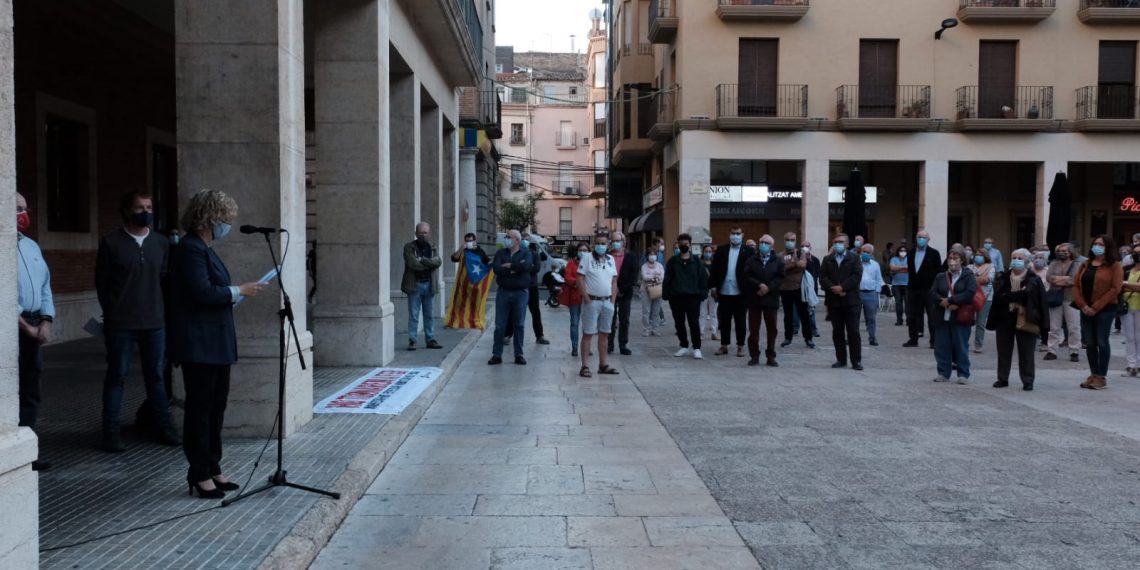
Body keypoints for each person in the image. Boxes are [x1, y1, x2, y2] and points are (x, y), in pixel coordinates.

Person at [168, 189, 264, 498]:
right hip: (200, 344)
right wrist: (238, 291)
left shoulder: (206, 249)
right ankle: (198, 473)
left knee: (217, 407)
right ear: (211, 217)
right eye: (226, 218)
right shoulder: (190, 249)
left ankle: (213, 466)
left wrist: (233, 295)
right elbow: (202, 292)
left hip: (217, 341)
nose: (229, 224)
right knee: (200, 409)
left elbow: (213, 293)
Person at [95, 190, 179, 453]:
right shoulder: (111, 243)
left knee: (155, 377)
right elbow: (102, 284)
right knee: (116, 376)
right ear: (127, 210)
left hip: (155, 322)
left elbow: (165, 281)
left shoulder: (161, 244)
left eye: (149, 207)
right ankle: (110, 431)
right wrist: (113, 312)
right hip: (121, 324)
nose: (146, 212)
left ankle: (163, 426)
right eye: (140, 207)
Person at [16, 193, 55, 472]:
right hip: (14, 327)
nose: (23, 213)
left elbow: (45, 286)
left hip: (34, 324)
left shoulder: (31, 246)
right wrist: (25, 327)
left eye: (25, 208)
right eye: (17, 209)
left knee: (31, 389)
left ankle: (28, 450)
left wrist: (45, 320)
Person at [987, 249, 1048, 391]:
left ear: (1026, 261)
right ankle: (1002, 378)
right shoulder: (1003, 277)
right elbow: (999, 297)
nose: (1015, 260)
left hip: (1027, 318)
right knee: (1003, 350)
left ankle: (1028, 380)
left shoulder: (1033, 279)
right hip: (1004, 318)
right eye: (1013, 257)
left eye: (1019, 258)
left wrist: (1011, 295)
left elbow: (1035, 298)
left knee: (1026, 351)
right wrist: (1019, 294)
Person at [1073, 235, 1123, 390]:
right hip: (1085, 309)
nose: (1097, 246)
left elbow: (1115, 289)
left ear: (1108, 247)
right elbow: (1075, 285)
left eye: (1100, 244)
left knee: (1102, 341)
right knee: (1090, 342)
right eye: (1095, 244)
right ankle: (1093, 374)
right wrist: (1083, 306)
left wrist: (1096, 307)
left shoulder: (1115, 266)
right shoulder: (1085, 264)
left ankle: (1101, 376)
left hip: (1105, 309)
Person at [931, 248, 977, 384]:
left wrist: (952, 301)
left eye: (955, 258)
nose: (952, 262)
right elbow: (933, 292)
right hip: (942, 316)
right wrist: (943, 302)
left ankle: (963, 374)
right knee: (941, 346)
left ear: (962, 260)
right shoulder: (940, 276)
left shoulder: (968, 276)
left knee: (961, 345)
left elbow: (970, 293)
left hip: (960, 317)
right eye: (950, 258)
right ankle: (943, 372)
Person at [710, 225, 756, 357]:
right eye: (733, 233)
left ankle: (740, 346)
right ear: (729, 235)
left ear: (742, 235)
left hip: (741, 292)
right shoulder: (722, 250)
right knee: (724, 320)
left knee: (740, 320)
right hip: (724, 291)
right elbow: (715, 269)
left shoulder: (748, 251)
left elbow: (752, 271)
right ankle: (724, 345)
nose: (735, 236)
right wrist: (713, 286)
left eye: (738, 233)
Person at [819, 234, 864, 370]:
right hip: (834, 301)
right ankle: (841, 359)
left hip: (851, 300)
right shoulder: (827, 259)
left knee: (853, 331)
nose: (838, 244)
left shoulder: (854, 258)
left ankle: (856, 361)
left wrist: (843, 287)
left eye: (840, 242)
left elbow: (857, 276)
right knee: (837, 332)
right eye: (835, 241)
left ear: (847, 244)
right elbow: (822, 277)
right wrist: (834, 288)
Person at [577, 233, 619, 377]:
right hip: (592, 301)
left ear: (608, 245)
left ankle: (603, 364)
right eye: (598, 243)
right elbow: (580, 278)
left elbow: (614, 280)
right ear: (594, 244)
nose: (601, 246)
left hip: (607, 301)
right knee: (588, 333)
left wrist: (612, 300)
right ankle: (585, 366)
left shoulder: (610, 259)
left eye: (604, 243)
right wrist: (586, 297)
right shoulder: (587, 257)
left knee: (605, 333)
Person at [663, 233, 709, 359]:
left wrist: (702, 293)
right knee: (679, 323)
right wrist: (667, 294)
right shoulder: (673, 262)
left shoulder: (697, 262)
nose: (683, 246)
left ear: (690, 245)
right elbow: (667, 278)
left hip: (693, 297)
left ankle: (697, 348)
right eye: (681, 244)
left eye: (686, 244)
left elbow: (703, 278)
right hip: (676, 297)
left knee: (694, 323)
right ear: (678, 244)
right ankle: (683, 345)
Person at [489, 231, 531, 365]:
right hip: (503, 292)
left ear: (517, 240)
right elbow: (496, 269)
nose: (506, 239)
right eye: (506, 237)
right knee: (500, 325)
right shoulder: (501, 253)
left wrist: (510, 266)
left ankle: (519, 354)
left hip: (520, 293)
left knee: (519, 324)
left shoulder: (526, 253)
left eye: (509, 237)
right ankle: (496, 354)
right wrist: (515, 269)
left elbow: (526, 266)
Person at [743, 234, 784, 366]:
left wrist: (768, 288)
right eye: (761, 242)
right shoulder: (751, 260)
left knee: (772, 329)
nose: (763, 245)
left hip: (771, 299)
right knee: (754, 330)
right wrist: (759, 285)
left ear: (771, 246)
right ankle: (754, 355)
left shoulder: (778, 260)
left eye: (766, 243)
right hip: (755, 299)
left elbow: (780, 277)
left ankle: (770, 356)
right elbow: (747, 276)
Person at [402, 222, 443, 351]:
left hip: (429, 285)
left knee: (429, 315)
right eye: (421, 233)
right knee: (414, 315)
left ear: (429, 233)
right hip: (415, 286)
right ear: (416, 233)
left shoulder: (433, 246)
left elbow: (438, 262)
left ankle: (430, 339)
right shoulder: (409, 247)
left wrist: (423, 260)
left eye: (425, 233)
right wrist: (430, 264)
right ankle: (412, 340)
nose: (423, 235)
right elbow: (412, 264)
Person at [1045, 243, 1082, 362]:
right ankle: (1052, 351)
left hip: (1071, 298)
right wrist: (1065, 280)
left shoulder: (1077, 264)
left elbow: (1075, 279)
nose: (1062, 252)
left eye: (1064, 251)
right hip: (1055, 298)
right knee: (1054, 327)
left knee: (1074, 327)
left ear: (1071, 252)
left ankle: (1074, 351)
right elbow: (1049, 277)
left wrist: (1059, 280)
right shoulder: (1053, 263)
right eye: (1060, 250)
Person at [905, 230, 942, 348]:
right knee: (912, 315)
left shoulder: (934, 253)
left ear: (928, 239)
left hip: (929, 289)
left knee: (932, 315)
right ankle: (913, 339)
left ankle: (934, 341)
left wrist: (936, 288)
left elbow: (938, 272)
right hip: (913, 288)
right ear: (916, 238)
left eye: (924, 237)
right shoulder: (910, 253)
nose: (921, 239)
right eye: (919, 237)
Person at [778, 232, 815, 349]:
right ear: (784, 241)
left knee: (804, 314)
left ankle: (808, 338)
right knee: (788, 315)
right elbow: (781, 269)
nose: (790, 241)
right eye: (788, 239)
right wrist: (794, 264)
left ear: (795, 241)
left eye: (792, 240)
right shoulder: (780, 255)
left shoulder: (800, 252)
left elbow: (802, 265)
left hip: (799, 288)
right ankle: (788, 338)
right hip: (785, 288)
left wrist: (789, 266)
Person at [607, 231, 640, 356]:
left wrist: (621, 289)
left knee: (624, 319)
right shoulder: (607, 256)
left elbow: (633, 275)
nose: (616, 243)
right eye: (614, 241)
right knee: (610, 318)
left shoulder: (631, 256)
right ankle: (609, 345)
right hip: (609, 292)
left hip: (625, 292)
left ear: (623, 242)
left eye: (618, 241)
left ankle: (623, 344)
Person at [517, 232, 549, 345]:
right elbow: (515, 267)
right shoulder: (517, 252)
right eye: (523, 239)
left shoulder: (534, 253)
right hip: (519, 286)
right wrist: (525, 267)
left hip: (532, 286)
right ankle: (508, 334)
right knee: (516, 312)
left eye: (527, 239)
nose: (525, 241)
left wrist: (521, 267)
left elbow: (536, 268)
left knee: (535, 311)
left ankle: (540, 335)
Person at [560, 242, 588, 357]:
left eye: (585, 250)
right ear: (577, 251)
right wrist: (579, 283)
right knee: (574, 323)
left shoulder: (591, 263)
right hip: (575, 297)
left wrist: (579, 282)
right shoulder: (571, 263)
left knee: (587, 324)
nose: (583, 252)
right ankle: (575, 347)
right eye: (581, 250)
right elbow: (568, 277)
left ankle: (587, 347)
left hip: (587, 297)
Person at [969, 249, 996, 354]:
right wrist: (980, 278)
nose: (978, 257)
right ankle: (964, 343)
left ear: (985, 257)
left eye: (980, 255)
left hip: (986, 297)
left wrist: (973, 278)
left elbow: (988, 279)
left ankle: (978, 345)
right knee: (967, 320)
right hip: (970, 296)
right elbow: (965, 278)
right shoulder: (969, 267)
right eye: (976, 255)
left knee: (980, 323)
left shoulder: (991, 266)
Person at [857, 243, 884, 346]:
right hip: (857, 293)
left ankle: (872, 337)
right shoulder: (856, 263)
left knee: (871, 318)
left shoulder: (875, 265)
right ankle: (851, 337)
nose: (865, 254)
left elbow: (878, 279)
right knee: (854, 317)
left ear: (871, 253)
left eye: (868, 252)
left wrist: (876, 291)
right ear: (861, 251)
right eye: (864, 252)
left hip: (871, 293)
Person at [1121, 243, 1140, 377]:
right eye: (1136, 252)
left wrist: (1127, 285)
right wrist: (1134, 286)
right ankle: (1131, 365)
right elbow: (1118, 285)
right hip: (1126, 306)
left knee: (1139, 337)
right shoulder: (1126, 269)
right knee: (1129, 337)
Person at [640, 246, 665, 338]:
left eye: (654, 254)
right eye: (650, 254)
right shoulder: (644, 266)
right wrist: (655, 276)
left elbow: (662, 276)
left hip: (657, 290)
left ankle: (655, 328)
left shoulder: (659, 265)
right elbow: (644, 277)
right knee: (646, 311)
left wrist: (651, 276)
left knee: (656, 310)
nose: (652, 256)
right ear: (647, 256)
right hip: (645, 290)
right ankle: (646, 329)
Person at [698, 244, 719, 341]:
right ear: (703, 252)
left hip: (713, 291)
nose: (708, 253)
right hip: (703, 290)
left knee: (714, 313)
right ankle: (701, 333)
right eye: (706, 251)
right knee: (702, 313)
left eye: (710, 251)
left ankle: (714, 333)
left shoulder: (716, 264)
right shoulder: (699, 263)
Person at [889, 245, 909, 327]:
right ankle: (899, 320)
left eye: (904, 250)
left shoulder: (909, 258)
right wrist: (904, 268)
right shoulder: (893, 259)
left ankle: (909, 320)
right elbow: (892, 268)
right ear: (898, 251)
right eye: (901, 250)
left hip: (907, 284)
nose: (902, 252)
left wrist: (898, 269)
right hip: (896, 284)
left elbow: (910, 268)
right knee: (898, 303)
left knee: (908, 304)